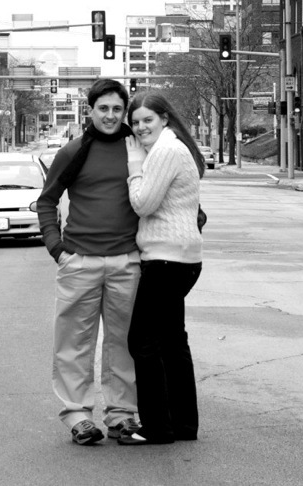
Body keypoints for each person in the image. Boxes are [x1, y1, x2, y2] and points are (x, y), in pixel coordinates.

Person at [37, 79, 141, 445]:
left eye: (117, 109)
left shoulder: (138, 149)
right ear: (91, 110)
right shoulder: (73, 151)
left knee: (124, 343)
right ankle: (78, 415)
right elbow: (47, 201)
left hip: (127, 262)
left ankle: (122, 415)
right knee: (73, 344)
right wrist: (57, 248)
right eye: (103, 108)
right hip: (79, 262)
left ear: (124, 112)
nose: (110, 116)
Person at [118, 90, 205, 445]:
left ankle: (156, 427)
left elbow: (143, 204)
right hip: (182, 257)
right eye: (135, 122)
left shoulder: (165, 151)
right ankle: (183, 425)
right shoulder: (173, 147)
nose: (140, 127)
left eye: (147, 120)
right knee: (171, 340)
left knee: (143, 341)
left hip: (166, 259)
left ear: (164, 118)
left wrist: (134, 168)